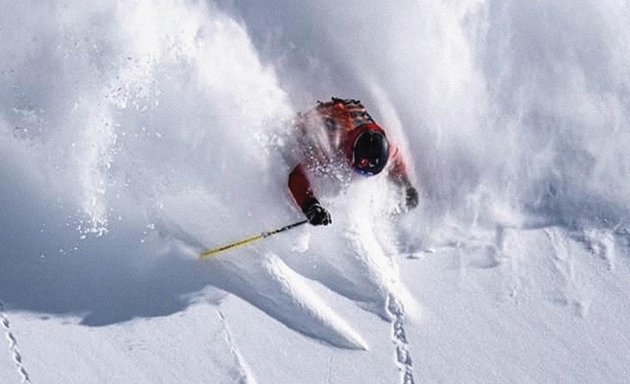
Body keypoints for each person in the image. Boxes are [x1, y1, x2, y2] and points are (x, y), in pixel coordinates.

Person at [288, 97, 419, 225]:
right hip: (315, 121)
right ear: (351, 153)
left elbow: (395, 159)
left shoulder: (383, 144)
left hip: (347, 118)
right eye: (361, 166)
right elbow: (297, 177)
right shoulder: (331, 146)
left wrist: (405, 184)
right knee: (305, 147)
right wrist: (310, 205)